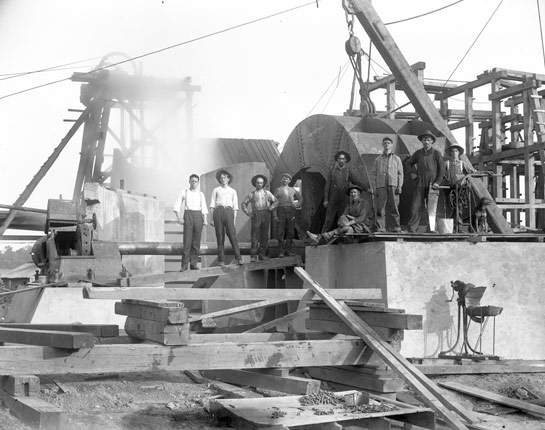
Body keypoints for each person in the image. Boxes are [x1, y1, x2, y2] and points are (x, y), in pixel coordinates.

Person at [405, 130, 445, 233]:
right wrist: (413, 173)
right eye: (424, 140)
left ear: (432, 141)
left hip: (433, 183)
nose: (426, 142)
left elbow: (442, 169)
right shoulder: (418, 153)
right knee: (416, 205)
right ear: (422, 141)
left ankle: (431, 229)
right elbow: (408, 163)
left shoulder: (436, 154)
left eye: (428, 140)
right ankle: (412, 229)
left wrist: (437, 182)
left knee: (432, 207)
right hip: (420, 182)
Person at [173, 174, 208, 271]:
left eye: (195, 181)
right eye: (192, 181)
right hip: (188, 215)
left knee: (196, 242)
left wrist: (205, 219)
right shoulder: (184, 192)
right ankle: (184, 265)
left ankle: (193, 264)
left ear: (198, 183)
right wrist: (179, 218)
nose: (194, 183)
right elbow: (177, 205)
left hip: (198, 216)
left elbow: (204, 207)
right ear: (189, 181)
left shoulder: (201, 194)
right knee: (187, 241)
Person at [209, 169, 243, 266]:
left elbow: (235, 207)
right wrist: (211, 219)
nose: (223, 179)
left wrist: (234, 220)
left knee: (232, 235)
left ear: (228, 179)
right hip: (218, 211)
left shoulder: (232, 191)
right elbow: (212, 205)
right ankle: (221, 260)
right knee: (220, 236)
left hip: (228, 211)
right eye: (221, 178)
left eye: (224, 178)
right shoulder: (216, 190)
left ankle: (238, 258)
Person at [241, 174, 277, 262]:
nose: (259, 184)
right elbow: (243, 203)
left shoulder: (267, 193)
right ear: (255, 183)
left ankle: (262, 254)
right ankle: (253, 255)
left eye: (261, 183)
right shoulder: (251, 194)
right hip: (256, 214)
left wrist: (271, 207)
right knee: (255, 235)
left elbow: (276, 201)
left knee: (264, 235)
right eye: (257, 183)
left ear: (263, 183)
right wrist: (247, 212)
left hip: (265, 213)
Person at [370, 137, 403, 232]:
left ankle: (396, 227)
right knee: (380, 207)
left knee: (394, 206)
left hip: (393, 185)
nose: (386, 144)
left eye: (388, 143)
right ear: (382, 145)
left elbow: (400, 173)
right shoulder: (378, 159)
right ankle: (381, 227)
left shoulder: (397, 159)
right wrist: (374, 187)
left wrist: (399, 186)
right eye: (385, 143)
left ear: (392, 145)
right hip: (381, 186)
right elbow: (373, 174)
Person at [322, 150, 360, 233]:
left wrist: (366, 188)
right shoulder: (332, 171)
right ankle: (323, 237)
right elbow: (327, 186)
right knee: (328, 219)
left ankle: (341, 238)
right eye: (339, 158)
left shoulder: (348, 171)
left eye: (343, 159)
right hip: (333, 197)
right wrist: (326, 199)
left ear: (346, 160)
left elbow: (356, 182)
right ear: (337, 160)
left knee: (342, 219)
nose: (341, 160)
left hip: (344, 197)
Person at [272, 173, 301, 257]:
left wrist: (297, 204)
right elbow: (274, 203)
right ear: (281, 180)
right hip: (281, 210)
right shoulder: (277, 190)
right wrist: (275, 215)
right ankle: (281, 251)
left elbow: (300, 198)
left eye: (287, 179)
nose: (285, 180)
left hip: (291, 210)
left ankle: (289, 250)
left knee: (290, 232)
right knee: (280, 232)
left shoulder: (292, 190)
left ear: (290, 181)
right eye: (284, 178)